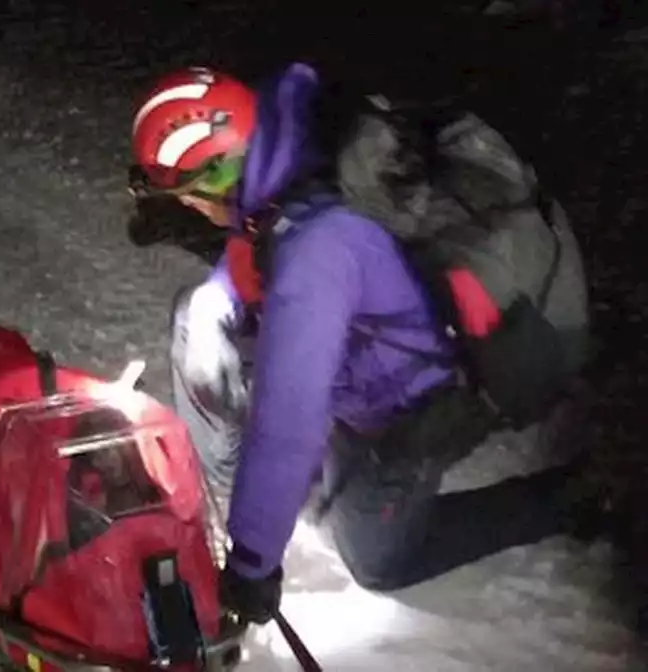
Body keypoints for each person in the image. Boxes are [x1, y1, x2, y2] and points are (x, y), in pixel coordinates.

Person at [128, 63, 599, 626]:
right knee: (197, 316)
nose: (182, 206)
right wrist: (219, 297)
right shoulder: (285, 154)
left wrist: (253, 564)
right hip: (357, 329)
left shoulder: (317, 251)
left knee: (378, 561)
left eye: (183, 192)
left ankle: (569, 498)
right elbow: (253, 246)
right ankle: (239, 488)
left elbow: (289, 418)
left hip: (412, 399)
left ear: (216, 174)